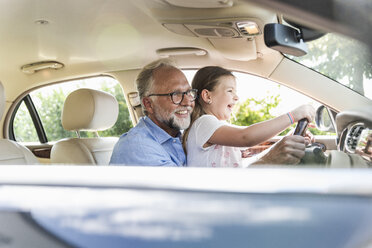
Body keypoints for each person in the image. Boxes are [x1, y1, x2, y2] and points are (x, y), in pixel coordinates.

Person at [183, 66, 315, 168]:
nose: (236, 97)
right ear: (207, 96)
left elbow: (253, 143)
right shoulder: (204, 123)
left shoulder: (218, 128)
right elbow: (247, 136)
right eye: (230, 91)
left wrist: (289, 137)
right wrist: (293, 116)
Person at [109, 59, 196, 166]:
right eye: (176, 94)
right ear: (148, 104)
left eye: (188, 92)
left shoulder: (180, 138)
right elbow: (186, 182)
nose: (188, 102)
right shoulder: (136, 146)